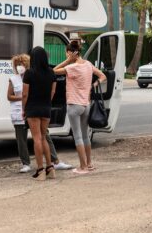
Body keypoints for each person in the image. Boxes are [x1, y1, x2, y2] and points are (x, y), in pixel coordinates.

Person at [8, 54, 73, 174]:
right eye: (17, 65)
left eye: (21, 64)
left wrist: (25, 104)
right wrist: (21, 99)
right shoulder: (13, 79)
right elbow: (11, 96)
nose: (19, 67)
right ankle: (27, 163)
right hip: (22, 111)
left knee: (43, 137)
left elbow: (29, 94)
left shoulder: (33, 74)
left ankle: (52, 162)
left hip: (31, 110)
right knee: (23, 138)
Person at [54, 40, 107, 174]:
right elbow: (103, 76)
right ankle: (89, 164)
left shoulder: (72, 67)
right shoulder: (88, 65)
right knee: (85, 136)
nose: (66, 56)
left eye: (67, 53)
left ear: (72, 53)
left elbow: (54, 71)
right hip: (86, 105)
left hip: (74, 105)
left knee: (77, 137)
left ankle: (82, 167)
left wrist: (68, 61)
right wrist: (93, 85)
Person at [22, 46, 57, 180]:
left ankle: (40, 170)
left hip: (33, 107)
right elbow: (53, 92)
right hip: (46, 107)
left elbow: (25, 94)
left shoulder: (29, 73)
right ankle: (50, 168)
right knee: (43, 137)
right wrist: (47, 102)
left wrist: (23, 109)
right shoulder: (51, 72)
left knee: (36, 138)